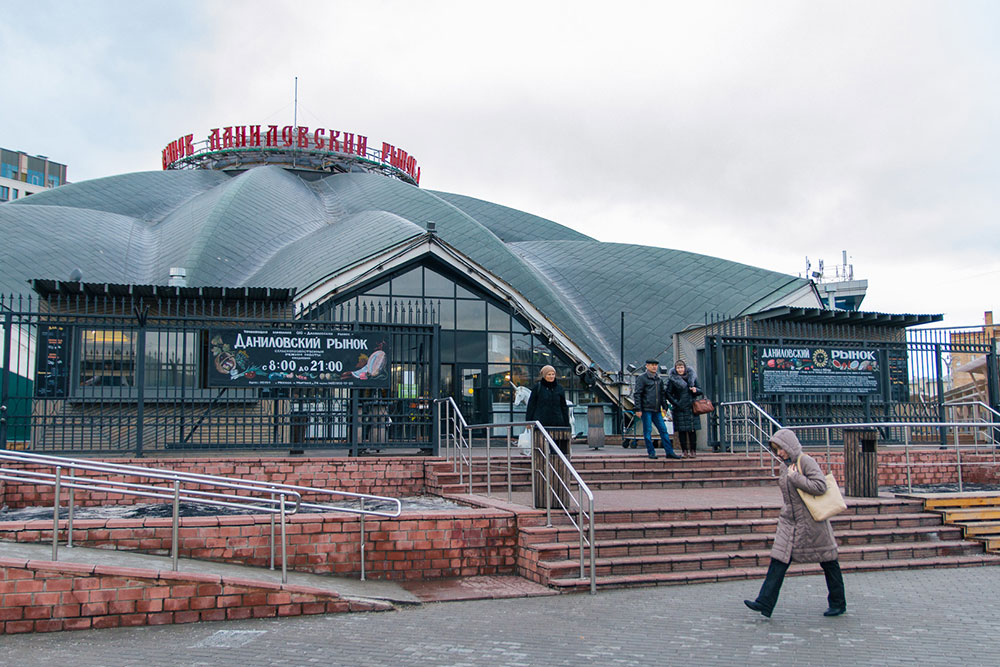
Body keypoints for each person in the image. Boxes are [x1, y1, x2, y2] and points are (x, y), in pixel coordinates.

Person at [744, 429, 846, 618]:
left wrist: (796, 478)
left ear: (789, 446)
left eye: (781, 449)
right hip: (789, 521)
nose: (779, 453)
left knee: (829, 561)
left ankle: (838, 603)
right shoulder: (785, 465)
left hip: (812, 523)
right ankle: (764, 603)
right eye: (776, 450)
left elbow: (820, 486)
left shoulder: (805, 461)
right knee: (778, 560)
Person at [633, 359, 682, 460]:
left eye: (655, 365)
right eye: (652, 365)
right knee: (648, 431)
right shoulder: (642, 378)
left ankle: (669, 452)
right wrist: (638, 409)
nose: (654, 367)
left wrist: (664, 406)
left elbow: (662, 394)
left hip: (656, 409)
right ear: (647, 366)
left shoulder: (658, 379)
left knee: (663, 430)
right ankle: (651, 452)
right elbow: (637, 394)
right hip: (646, 408)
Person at [525, 365, 571, 457]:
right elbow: (531, 405)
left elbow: (564, 407)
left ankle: (556, 469)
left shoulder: (559, 388)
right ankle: (542, 468)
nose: (551, 376)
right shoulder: (537, 388)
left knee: (557, 449)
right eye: (549, 374)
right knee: (541, 448)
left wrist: (567, 423)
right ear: (544, 375)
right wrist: (529, 421)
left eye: (553, 374)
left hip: (557, 423)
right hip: (541, 423)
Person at [666, 359, 701, 458]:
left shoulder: (692, 378)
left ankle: (693, 451)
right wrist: (676, 403)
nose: (680, 369)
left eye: (681, 367)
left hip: (691, 407)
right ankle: (684, 451)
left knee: (692, 430)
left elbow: (700, 390)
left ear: (685, 368)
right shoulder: (673, 379)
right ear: (675, 369)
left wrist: (695, 390)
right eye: (678, 368)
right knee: (682, 431)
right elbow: (668, 393)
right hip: (679, 408)